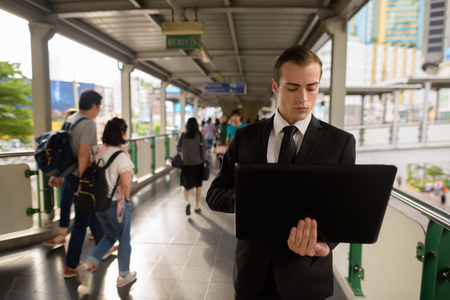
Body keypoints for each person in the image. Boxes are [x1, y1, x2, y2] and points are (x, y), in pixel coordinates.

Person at [206, 45, 356, 299]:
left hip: (306, 275)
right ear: (275, 86)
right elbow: (215, 193)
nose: (303, 98)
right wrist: (246, 199)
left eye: (311, 87)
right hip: (252, 275)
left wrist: (323, 245)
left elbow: (346, 209)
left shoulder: (340, 143)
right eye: (293, 87)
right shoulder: (245, 137)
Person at [50, 90, 109, 278]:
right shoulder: (88, 124)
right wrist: (85, 182)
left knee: (91, 214)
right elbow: (84, 154)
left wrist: (57, 174)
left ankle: (104, 244)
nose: (99, 110)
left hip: (69, 176)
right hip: (80, 178)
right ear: (94, 106)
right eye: (99, 107)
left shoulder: (71, 119)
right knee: (82, 221)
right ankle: (71, 264)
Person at [75, 117, 136, 288]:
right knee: (124, 238)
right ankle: (124, 275)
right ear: (121, 133)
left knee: (109, 236)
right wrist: (128, 200)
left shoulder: (98, 150)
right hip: (116, 204)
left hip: (98, 204)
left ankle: (87, 267)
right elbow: (125, 183)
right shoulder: (121, 155)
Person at [42, 107, 79, 247]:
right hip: (69, 176)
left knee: (82, 209)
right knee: (65, 205)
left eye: (68, 118)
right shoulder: (66, 138)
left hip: (76, 176)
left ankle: (100, 236)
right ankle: (61, 235)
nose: (66, 121)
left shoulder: (75, 138)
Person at [178, 118, 208, 215]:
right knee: (198, 185)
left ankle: (187, 202)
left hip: (186, 164)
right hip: (198, 164)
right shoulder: (200, 135)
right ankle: (196, 205)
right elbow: (205, 148)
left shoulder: (183, 136)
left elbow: (178, 148)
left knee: (185, 185)